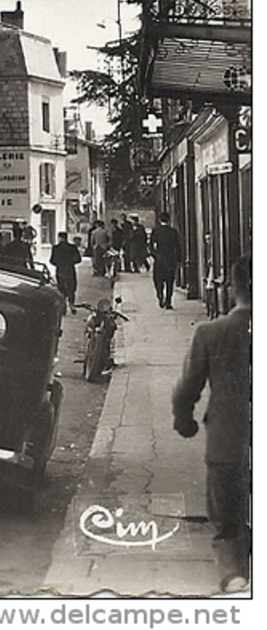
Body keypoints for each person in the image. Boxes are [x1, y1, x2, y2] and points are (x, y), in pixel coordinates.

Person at [172, 253, 252, 593]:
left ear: (234, 287)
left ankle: (234, 575)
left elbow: (188, 386)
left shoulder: (212, 333)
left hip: (229, 438)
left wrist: (183, 418)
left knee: (227, 514)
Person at [150, 213, 183, 310]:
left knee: (158, 280)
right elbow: (177, 247)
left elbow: (151, 246)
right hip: (170, 260)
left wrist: (155, 255)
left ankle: (160, 296)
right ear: (168, 220)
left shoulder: (156, 231)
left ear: (160, 220)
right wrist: (179, 260)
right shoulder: (173, 232)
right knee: (169, 282)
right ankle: (168, 302)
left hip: (159, 260)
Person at [49, 232, 83, 311]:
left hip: (60, 270)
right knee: (71, 287)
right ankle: (71, 304)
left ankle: (63, 303)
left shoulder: (55, 248)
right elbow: (78, 259)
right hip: (70, 270)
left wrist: (58, 264)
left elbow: (52, 260)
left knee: (61, 288)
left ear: (59, 238)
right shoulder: (72, 247)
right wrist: (71, 262)